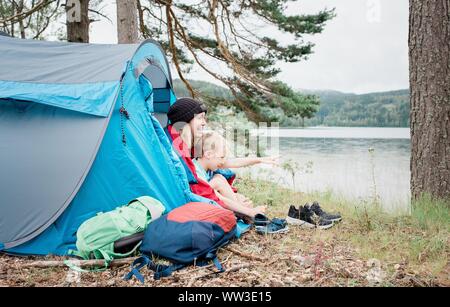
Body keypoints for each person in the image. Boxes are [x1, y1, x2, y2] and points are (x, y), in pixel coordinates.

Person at [165, 97, 273, 219]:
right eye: (200, 118)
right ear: (185, 120)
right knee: (219, 183)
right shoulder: (174, 147)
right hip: (190, 198)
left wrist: (233, 195)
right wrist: (241, 208)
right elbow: (198, 190)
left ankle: (243, 209)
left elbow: (221, 164)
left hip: (201, 191)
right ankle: (247, 213)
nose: (204, 123)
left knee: (221, 181)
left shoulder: (191, 141)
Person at [193, 130, 279, 218]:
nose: (223, 161)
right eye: (222, 157)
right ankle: (246, 214)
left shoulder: (209, 162)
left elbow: (235, 162)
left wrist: (260, 160)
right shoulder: (196, 171)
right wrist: (248, 211)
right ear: (208, 154)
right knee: (218, 180)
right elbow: (216, 197)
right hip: (199, 202)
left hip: (209, 197)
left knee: (239, 197)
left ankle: (242, 210)